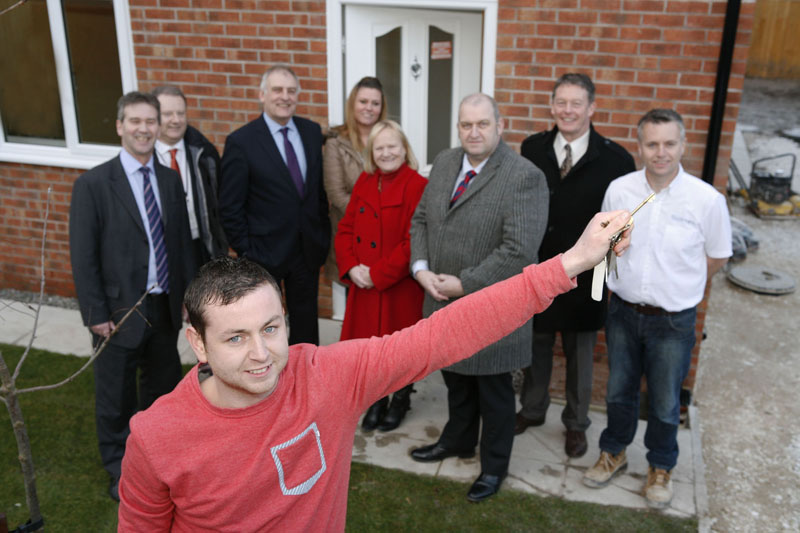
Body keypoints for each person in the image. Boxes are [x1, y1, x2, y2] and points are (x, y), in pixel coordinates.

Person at [117, 208, 634, 531]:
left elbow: (443, 334)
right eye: (235, 337)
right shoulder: (156, 437)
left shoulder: (327, 375)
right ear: (197, 343)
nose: (261, 353)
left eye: (271, 328)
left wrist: (572, 262)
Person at [583, 109, 732, 509]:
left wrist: (680, 285)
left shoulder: (706, 200)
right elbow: (605, 245)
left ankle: (661, 466)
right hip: (623, 313)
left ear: (683, 145)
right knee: (618, 391)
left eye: (669, 143)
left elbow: (717, 256)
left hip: (673, 321)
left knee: (666, 400)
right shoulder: (619, 191)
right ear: (640, 146)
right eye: (652, 144)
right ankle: (613, 451)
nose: (660, 152)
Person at [408, 93, 548, 502]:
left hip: (491, 310)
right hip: (440, 299)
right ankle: (458, 440)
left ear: (499, 126)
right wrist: (421, 271)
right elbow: (421, 220)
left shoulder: (524, 176)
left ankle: (494, 468)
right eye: (466, 124)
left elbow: (519, 250)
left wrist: (465, 284)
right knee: (456, 380)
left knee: (494, 392)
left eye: (482, 124)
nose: (473, 132)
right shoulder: (446, 161)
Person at [68, 91, 197, 501]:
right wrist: (95, 312)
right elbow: (83, 255)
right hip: (118, 312)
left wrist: (188, 302)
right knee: (115, 397)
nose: (144, 129)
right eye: (135, 121)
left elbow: (179, 246)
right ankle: (118, 470)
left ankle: (160, 461)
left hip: (163, 307)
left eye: (150, 122)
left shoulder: (169, 179)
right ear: (120, 126)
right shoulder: (93, 184)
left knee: (162, 392)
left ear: (159, 128)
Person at [517, 73, 635, 458]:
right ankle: (533, 409)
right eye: (561, 102)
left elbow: (622, 221)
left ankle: (576, 423)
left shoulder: (616, 159)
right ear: (552, 106)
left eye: (576, 103)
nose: (567, 110)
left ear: (591, 108)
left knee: (581, 354)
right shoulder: (532, 148)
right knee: (536, 345)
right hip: (541, 267)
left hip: (589, 275)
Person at [218, 65, 329, 345]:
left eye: (291, 91)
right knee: (263, 325)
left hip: (306, 251)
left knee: (306, 327)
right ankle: (268, 379)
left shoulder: (311, 132)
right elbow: (229, 206)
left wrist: (322, 237)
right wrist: (247, 250)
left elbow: (316, 192)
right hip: (263, 255)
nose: (285, 97)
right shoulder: (241, 142)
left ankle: (305, 379)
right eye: (278, 90)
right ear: (262, 95)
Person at [335, 120, 427, 431]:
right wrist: (350, 267)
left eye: (392, 146)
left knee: (399, 353)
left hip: (396, 287)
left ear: (404, 149)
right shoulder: (365, 180)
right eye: (380, 148)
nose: (386, 153)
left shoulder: (417, 185)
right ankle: (376, 400)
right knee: (369, 350)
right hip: (364, 286)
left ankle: (400, 398)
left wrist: (378, 274)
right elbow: (346, 227)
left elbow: (413, 241)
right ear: (371, 153)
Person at [323, 77, 387, 318]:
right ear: (353, 103)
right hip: (353, 237)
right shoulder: (336, 143)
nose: (369, 108)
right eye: (363, 101)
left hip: (385, 238)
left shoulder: (388, 137)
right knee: (357, 307)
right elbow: (337, 193)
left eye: (375, 103)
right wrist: (376, 214)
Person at [151, 85, 228, 265]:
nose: (176, 120)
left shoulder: (205, 154)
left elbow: (218, 203)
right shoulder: (143, 159)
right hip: (160, 252)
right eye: (168, 114)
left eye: (181, 113)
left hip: (200, 247)